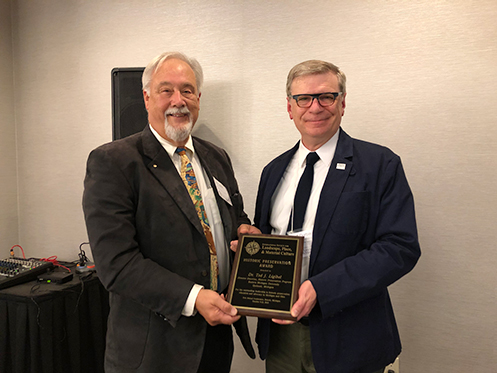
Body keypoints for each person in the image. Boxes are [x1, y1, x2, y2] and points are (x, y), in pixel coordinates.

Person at [82, 51, 258, 373]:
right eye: (167, 90)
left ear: (199, 98)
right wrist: (194, 298)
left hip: (216, 339)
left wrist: (245, 233)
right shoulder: (115, 162)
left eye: (187, 90)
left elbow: (232, 218)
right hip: (154, 350)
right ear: (147, 97)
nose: (178, 100)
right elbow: (116, 265)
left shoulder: (216, 157)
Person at [254, 60, 421, 373]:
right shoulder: (273, 171)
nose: (315, 107)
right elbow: (268, 242)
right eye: (303, 98)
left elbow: (401, 247)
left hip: (351, 338)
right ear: (290, 108)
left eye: (326, 96)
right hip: (280, 338)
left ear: (342, 103)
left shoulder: (379, 164)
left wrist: (322, 288)